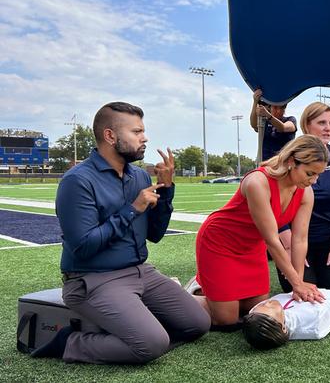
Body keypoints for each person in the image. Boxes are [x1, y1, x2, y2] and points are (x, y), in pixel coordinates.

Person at [34, 102, 210, 363]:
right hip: (93, 279)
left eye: (143, 131)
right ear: (110, 136)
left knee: (198, 324)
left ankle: (136, 327)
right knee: (151, 345)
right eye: (137, 132)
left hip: (140, 271)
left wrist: (167, 190)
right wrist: (132, 209)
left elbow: (155, 234)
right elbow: (83, 246)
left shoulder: (138, 177)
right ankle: (68, 342)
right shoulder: (78, 181)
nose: (145, 137)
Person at [192, 135, 328, 327]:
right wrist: (297, 284)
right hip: (220, 242)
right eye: (309, 173)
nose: (314, 180)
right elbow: (273, 240)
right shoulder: (258, 182)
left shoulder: (305, 192)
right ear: (291, 162)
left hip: (252, 247)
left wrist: (296, 284)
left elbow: (299, 239)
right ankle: (188, 292)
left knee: (255, 311)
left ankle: (212, 290)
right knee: (226, 320)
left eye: (318, 175)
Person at [276, 102, 330, 300]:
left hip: (327, 243)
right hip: (294, 241)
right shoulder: (291, 157)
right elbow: (274, 200)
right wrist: (286, 238)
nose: (328, 128)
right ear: (307, 125)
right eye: (321, 122)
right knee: (303, 296)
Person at [242, 288, 330, 349]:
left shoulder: (256, 313)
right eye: (269, 307)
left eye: (262, 305)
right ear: (283, 327)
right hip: (329, 294)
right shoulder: (315, 322)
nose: (267, 302)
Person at [250, 88, 297, 161]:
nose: (278, 111)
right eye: (275, 107)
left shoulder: (291, 120)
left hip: (284, 165)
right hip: (266, 165)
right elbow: (254, 125)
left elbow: (283, 128)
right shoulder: (264, 122)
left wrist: (267, 115)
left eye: (282, 108)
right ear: (270, 108)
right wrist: (255, 102)